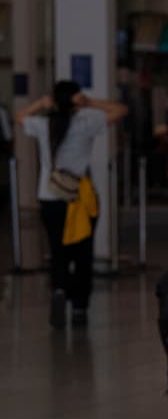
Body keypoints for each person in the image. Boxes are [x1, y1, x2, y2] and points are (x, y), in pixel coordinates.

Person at [15, 81, 127, 328]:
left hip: (50, 196)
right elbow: (120, 110)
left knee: (58, 251)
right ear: (76, 100)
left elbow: (19, 117)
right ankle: (79, 307)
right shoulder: (86, 123)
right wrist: (90, 103)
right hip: (78, 199)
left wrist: (41, 104)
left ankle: (58, 290)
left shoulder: (45, 124)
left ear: (55, 101)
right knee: (82, 253)